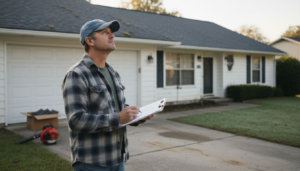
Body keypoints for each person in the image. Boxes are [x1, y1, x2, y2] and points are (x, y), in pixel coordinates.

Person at [62, 19, 154, 171]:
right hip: (92, 162)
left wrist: (137, 115)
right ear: (90, 41)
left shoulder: (112, 72)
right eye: (105, 32)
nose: (112, 36)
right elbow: (76, 120)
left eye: (111, 33)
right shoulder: (77, 74)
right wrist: (117, 118)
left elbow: (115, 107)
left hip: (118, 157)